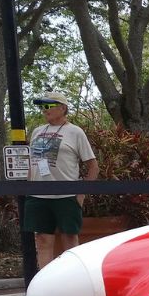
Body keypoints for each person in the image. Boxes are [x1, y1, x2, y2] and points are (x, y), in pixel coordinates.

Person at [24, 91, 98, 268]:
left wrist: (80, 196)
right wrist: (27, 188)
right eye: (42, 106)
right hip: (38, 196)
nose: (44, 110)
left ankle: (71, 281)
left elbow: (93, 167)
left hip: (66, 196)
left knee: (70, 239)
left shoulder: (75, 132)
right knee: (42, 240)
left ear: (62, 108)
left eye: (48, 106)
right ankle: (45, 285)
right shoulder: (37, 131)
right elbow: (30, 163)